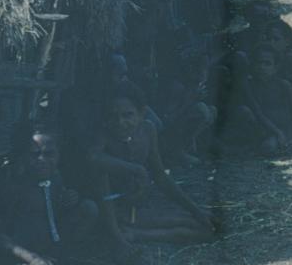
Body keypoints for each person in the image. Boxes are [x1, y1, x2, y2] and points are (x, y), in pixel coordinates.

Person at [0, 123, 98, 265]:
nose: (42, 160)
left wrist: (68, 201)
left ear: (59, 154)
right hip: (21, 258)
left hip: (48, 251)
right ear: (22, 156)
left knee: (88, 208)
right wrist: (32, 258)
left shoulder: (55, 178)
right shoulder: (14, 187)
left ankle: (60, 263)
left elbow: (50, 216)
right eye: (35, 154)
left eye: (49, 154)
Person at [92, 86, 214, 246]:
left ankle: (139, 232)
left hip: (143, 203)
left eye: (128, 115)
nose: (120, 123)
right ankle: (137, 235)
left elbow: (160, 175)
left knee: (208, 222)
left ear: (142, 113)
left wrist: (195, 209)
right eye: (113, 116)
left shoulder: (148, 130)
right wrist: (136, 169)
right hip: (121, 210)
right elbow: (93, 157)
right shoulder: (104, 139)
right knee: (197, 230)